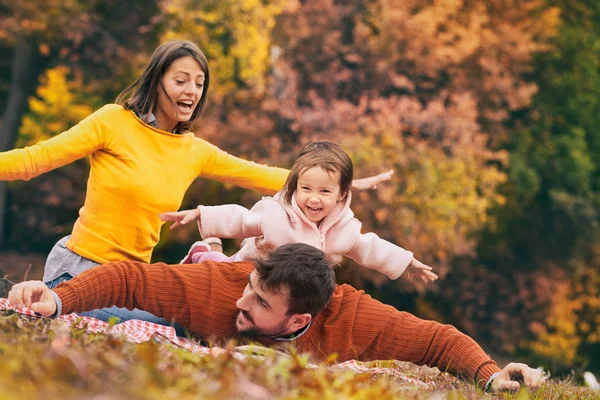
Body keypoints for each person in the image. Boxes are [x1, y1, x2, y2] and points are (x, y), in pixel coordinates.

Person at [0, 40, 391, 324]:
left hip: (135, 280)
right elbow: (34, 159)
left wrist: (337, 186)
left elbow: (266, 176)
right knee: (178, 325)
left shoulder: (193, 150)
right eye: (181, 80)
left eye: (199, 83)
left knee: (199, 318)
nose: (191, 91)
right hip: (79, 271)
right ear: (157, 81)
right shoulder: (112, 122)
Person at [8, 243, 545, 393]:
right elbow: (131, 278)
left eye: (262, 303)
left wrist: (491, 375)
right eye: (251, 289)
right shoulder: (223, 288)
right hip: (171, 322)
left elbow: (435, 341)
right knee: (103, 305)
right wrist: (58, 302)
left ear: (296, 322)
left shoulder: (355, 319)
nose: (245, 303)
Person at [161, 142, 437, 283]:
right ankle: (204, 251)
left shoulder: (345, 231)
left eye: (324, 192)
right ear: (295, 186)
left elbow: (371, 249)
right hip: (246, 271)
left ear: (342, 193)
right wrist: (201, 214)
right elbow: (242, 219)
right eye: (306, 189)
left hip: (287, 290)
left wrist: (407, 263)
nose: (313, 199)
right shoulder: (277, 215)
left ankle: (211, 246)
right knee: (215, 269)